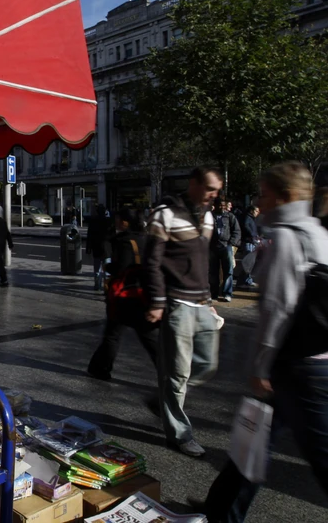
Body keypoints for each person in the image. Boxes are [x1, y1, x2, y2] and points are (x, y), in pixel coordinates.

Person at [204, 162, 328, 522]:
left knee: (319, 454)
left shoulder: (287, 238)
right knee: (255, 440)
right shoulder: (317, 231)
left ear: (284, 197)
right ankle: (220, 512)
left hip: (298, 366)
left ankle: (221, 513)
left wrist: (260, 366)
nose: (258, 202)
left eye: (264, 194)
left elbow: (277, 309)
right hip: (311, 359)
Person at [144, 167, 223, 458]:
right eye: (210, 188)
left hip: (201, 302)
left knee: (207, 364)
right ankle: (180, 434)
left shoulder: (208, 217)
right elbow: (151, 261)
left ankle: (163, 399)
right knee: (177, 374)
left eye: (217, 190)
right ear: (193, 184)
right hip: (177, 303)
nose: (214, 195)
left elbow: (204, 262)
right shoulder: (164, 215)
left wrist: (209, 297)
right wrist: (157, 301)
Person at [87, 208, 158, 380]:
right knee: (146, 336)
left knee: (113, 335)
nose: (116, 222)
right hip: (142, 293)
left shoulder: (125, 241)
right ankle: (167, 369)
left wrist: (108, 267)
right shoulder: (146, 239)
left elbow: (121, 268)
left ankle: (101, 368)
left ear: (125, 222)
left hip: (124, 296)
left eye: (118, 219)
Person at [209, 199, 241, 302]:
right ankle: (213, 293)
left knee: (228, 271)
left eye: (223, 205)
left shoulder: (230, 216)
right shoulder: (209, 216)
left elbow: (236, 231)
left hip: (226, 245)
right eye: (220, 205)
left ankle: (227, 293)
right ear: (215, 205)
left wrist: (231, 243)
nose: (222, 207)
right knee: (213, 271)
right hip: (213, 246)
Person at [86, 205, 111, 291]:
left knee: (97, 269)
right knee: (107, 270)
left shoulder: (93, 221)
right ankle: (107, 287)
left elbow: (89, 236)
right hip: (107, 249)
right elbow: (113, 236)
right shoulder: (109, 221)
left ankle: (97, 285)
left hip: (96, 248)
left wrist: (88, 248)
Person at [238, 205, 261, 288]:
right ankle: (242, 282)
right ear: (251, 211)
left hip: (251, 241)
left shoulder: (251, 219)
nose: (257, 213)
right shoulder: (247, 218)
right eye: (256, 211)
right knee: (247, 262)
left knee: (250, 263)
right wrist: (253, 235)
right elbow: (246, 227)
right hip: (248, 241)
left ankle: (248, 280)